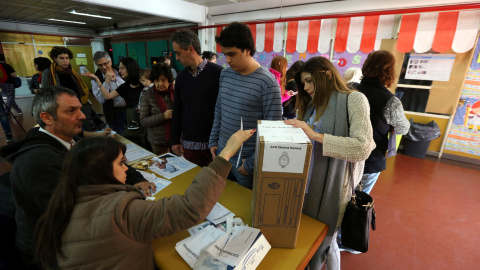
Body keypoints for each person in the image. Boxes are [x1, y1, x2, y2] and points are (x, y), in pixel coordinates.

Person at [34, 130, 255, 269]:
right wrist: (226, 154)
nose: (126, 169)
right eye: (122, 163)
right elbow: (191, 208)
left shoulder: (62, 203)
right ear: (100, 171)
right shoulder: (121, 212)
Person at [0, 86, 155, 267]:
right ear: (46, 117)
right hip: (52, 253)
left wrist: (137, 179)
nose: (82, 116)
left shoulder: (68, 141)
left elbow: (107, 160)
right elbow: (78, 218)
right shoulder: (40, 163)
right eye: (71, 111)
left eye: (80, 109)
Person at [285, 56, 375, 270]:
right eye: (303, 82)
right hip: (308, 181)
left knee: (327, 238)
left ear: (325, 75)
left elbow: (363, 147)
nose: (305, 87)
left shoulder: (354, 99)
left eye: (309, 81)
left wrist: (315, 135)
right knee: (312, 235)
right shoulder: (311, 104)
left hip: (335, 186)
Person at [209, 22, 282, 189]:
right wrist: (213, 140)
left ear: (247, 50)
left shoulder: (267, 83)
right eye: (224, 54)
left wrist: (251, 163)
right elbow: (219, 110)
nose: (227, 60)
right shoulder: (225, 74)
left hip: (245, 165)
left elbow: (274, 133)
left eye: (232, 54)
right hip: (222, 157)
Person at [356, 51, 410, 194]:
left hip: (342, 155)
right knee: (358, 201)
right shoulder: (390, 101)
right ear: (390, 71)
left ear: (366, 66)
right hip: (370, 159)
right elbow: (403, 128)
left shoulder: (349, 89)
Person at [171, 29, 223, 167]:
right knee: (194, 184)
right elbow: (177, 110)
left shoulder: (219, 73)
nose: (176, 58)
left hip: (215, 145)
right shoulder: (181, 78)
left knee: (217, 184)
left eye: (178, 53)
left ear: (190, 49)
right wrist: (175, 140)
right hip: (190, 146)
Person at [42, 46, 92, 131]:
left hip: (78, 103)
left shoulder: (73, 71)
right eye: (61, 58)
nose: (65, 61)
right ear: (55, 58)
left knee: (84, 126)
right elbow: (46, 92)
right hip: (62, 106)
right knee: (69, 128)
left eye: (67, 58)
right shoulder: (48, 73)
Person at [88, 57, 143, 133]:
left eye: (122, 68)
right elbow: (107, 96)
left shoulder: (143, 83)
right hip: (131, 118)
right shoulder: (125, 86)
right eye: (119, 68)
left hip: (144, 118)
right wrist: (97, 80)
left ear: (130, 68)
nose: (119, 71)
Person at [83, 51, 128, 135]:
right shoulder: (96, 79)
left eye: (105, 63)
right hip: (114, 113)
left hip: (129, 110)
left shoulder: (121, 71)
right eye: (100, 65)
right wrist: (106, 82)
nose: (103, 67)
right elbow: (102, 99)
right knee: (119, 137)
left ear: (110, 61)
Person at [139, 63, 174, 155]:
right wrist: (162, 116)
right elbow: (143, 120)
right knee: (163, 166)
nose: (160, 84)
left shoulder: (176, 91)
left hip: (177, 139)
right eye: (156, 80)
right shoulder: (147, 94)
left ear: (169, 80)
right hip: (158, 141)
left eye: (163, 80)